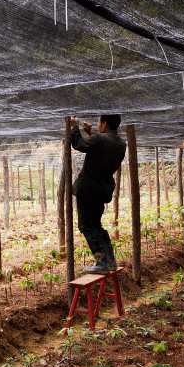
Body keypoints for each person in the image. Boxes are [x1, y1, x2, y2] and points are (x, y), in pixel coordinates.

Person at [69, 115, 127, 273]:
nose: (98, 125)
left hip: (88, 189)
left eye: (99, 123)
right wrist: (91, 133)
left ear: (105, 123)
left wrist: (74, 127)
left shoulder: (99, 139)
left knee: (86, 225)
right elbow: (100, 147)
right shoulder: (121, 143)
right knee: (96, 225)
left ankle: (102, 263)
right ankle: (110, 261)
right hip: (102, 190)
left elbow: (78, 144)